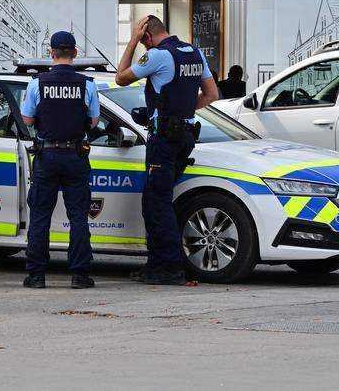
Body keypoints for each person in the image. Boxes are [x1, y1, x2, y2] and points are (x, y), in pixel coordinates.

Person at [115, 15, 219, 285]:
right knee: (155, 200)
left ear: (147, 37)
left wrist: (131, 41)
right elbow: (211, 95)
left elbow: (121, 78)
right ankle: (156, 265)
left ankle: (169, 268)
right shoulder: (194, 53)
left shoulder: (159, 55)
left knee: (158, 203)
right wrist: (181, 112)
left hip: (164, 139)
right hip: (186, 135)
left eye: (142, 39)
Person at [20, 31, 100, 289]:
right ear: (75, 54)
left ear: (51, 53)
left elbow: (28, 120)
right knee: (78, 215)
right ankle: (79, 275)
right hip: (76, 154)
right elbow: (94, 121)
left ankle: (36, 275)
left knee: (41, 214)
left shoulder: (36, 83)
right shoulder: (87, 84)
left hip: (47, 154)